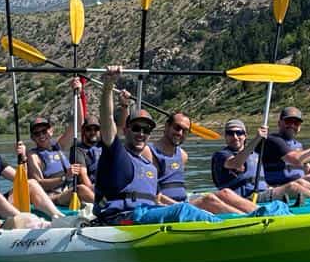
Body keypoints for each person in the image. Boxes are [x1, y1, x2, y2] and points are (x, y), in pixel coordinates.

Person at [94, 66, 221, 224]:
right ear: (126, 130)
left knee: (189, 209)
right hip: (121, 217)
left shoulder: (150, 167)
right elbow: (107, 121)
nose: (141, 133)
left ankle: (243, 220)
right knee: (183, 211)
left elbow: (157, 198)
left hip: (147, 215)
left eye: (146, 130)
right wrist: (108, 86)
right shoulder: (116, 154)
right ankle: (229, 230)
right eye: (136, 128)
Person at [150, 112, 262, 214]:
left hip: (184, 201)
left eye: (185, 130)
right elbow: (153, 193)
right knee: (209, 200)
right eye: (177, 128)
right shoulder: (149, 152)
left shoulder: (183, 155)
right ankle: (249, 222)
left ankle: (263, 214)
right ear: (167, 126)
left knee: (225, 193)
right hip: (168, 206)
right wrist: (181, 206)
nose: (180, 133)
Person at [212, 119, 309, 204]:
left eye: (239, 133)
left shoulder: (256, 154)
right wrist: (257, 139)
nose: (235, 137)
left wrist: (270, 187)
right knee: (293, 187)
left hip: (262, 193)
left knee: (304, 182)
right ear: (225, 136)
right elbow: (236, 163)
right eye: (230, 133)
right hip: (243, 198)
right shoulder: (221, 155)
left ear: (245, 136)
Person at [26, 115, 95, 206]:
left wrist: (78, 100)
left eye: (44, 131)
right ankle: (104, 209)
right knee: (80, 189)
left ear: (51, 131)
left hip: (69, 189)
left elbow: (78, 122)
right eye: (37, 133)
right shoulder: (33, 156)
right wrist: (64, 177)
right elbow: (38, 184)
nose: (41, 135)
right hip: (53, 196)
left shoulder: (58, 145)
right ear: (32, 137)